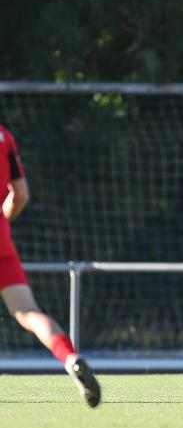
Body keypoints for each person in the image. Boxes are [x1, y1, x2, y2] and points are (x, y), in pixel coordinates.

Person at [0, 125, 101, 407]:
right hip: (1, 238)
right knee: (29, 312)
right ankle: (71, 359)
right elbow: (20, 195)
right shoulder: (4, 137)